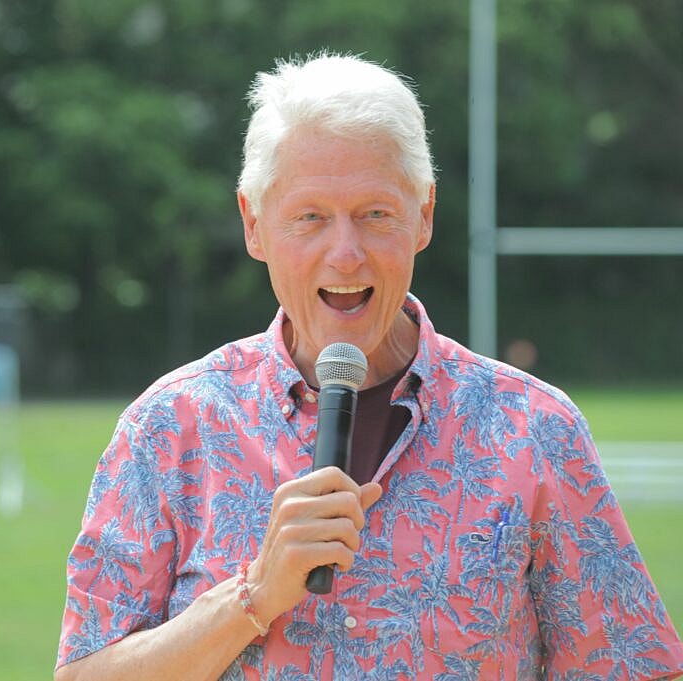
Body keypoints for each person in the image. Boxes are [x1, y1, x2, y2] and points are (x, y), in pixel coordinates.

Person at [55, 53, 683, 680]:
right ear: (254, 224)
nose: (346, 254)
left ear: (424, 215)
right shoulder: (170, 428)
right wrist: (254, 595)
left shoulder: (536, 429)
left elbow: (632, 666)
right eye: (310, 217)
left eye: (375, 214)